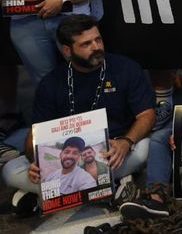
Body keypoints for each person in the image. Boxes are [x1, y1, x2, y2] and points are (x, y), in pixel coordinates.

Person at [0, 15, 160, 218]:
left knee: (147, 148)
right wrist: (37, 162)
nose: (96, 47)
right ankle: (113, 186)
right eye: (86, 43)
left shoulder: (125, 68)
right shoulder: (51, 83)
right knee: (10, 170)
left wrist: (126, 142)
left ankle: (45, 195)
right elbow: (35, 134)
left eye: (98, 39)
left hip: (116, 152)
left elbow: (147, 115)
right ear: (67, 50)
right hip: (66, 160)